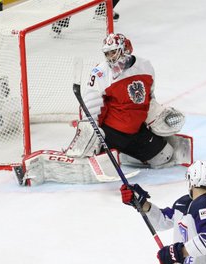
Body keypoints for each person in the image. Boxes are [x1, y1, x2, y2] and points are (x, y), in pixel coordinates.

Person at [66, 32, 192, 169]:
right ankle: (106, 150)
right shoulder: (100, 73)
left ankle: (121, 155)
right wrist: (90, 136)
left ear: (125, 48)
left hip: (136, 129)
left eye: (113, 52)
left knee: (164, 156)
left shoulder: (145, 66)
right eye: (107, 54)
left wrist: (155, 116)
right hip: (112, 132)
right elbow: (90, 107)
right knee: (110, 144)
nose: (110, 58)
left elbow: (148, 99)